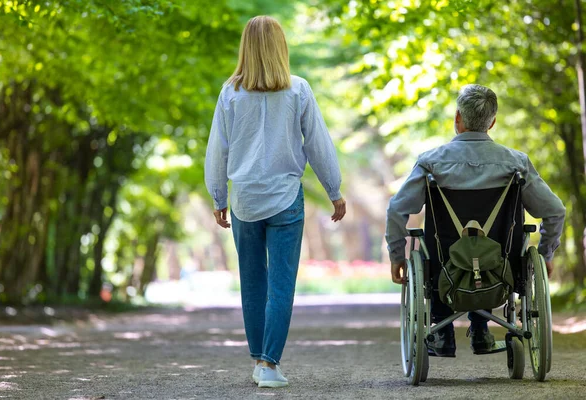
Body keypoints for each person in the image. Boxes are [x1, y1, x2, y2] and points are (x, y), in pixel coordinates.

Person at [204, 16, 346, 388]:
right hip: (285, 199)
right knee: (281, 285)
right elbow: (318, 143)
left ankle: (259, 360)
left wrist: (218, 195)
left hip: (245, 200)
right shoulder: (298, 90)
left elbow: (217, 149)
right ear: (281, 47)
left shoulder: (230, 93)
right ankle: (268, 365)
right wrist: (334, 190)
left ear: (245, 48)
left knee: (252, 284)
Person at [385, 84, 565, 357]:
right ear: (492, 122)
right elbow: (555, 210)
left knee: (442, 252)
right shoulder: (516, 163)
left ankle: (442, 333)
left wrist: (397, 254)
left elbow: (396, 211)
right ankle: (481, 330)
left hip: (444, 269)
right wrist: (546, 252)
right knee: (491, 254)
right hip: (502, 270)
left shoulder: (431, 163)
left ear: (458, 118)